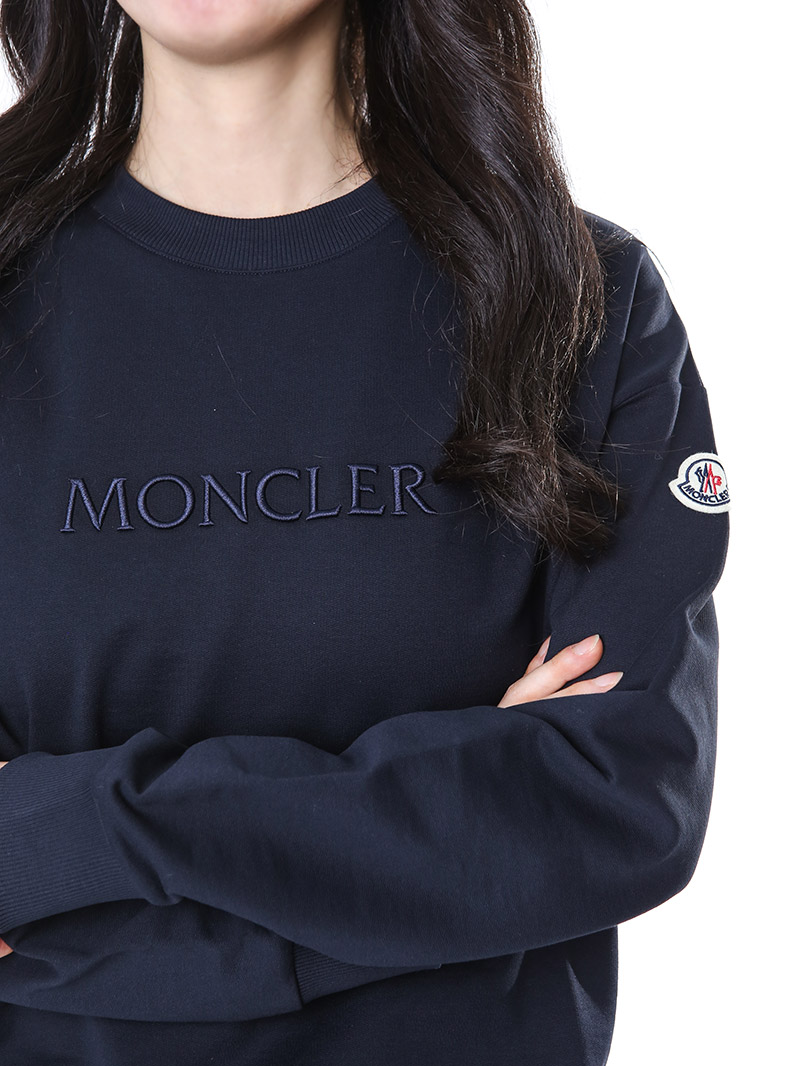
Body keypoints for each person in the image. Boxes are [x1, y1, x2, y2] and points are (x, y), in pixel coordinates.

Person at [0, 1, 730, 1064]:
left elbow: (617, 801)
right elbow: (520, 838)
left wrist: (75, 834)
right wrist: (447, 849)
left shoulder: (578, 298)